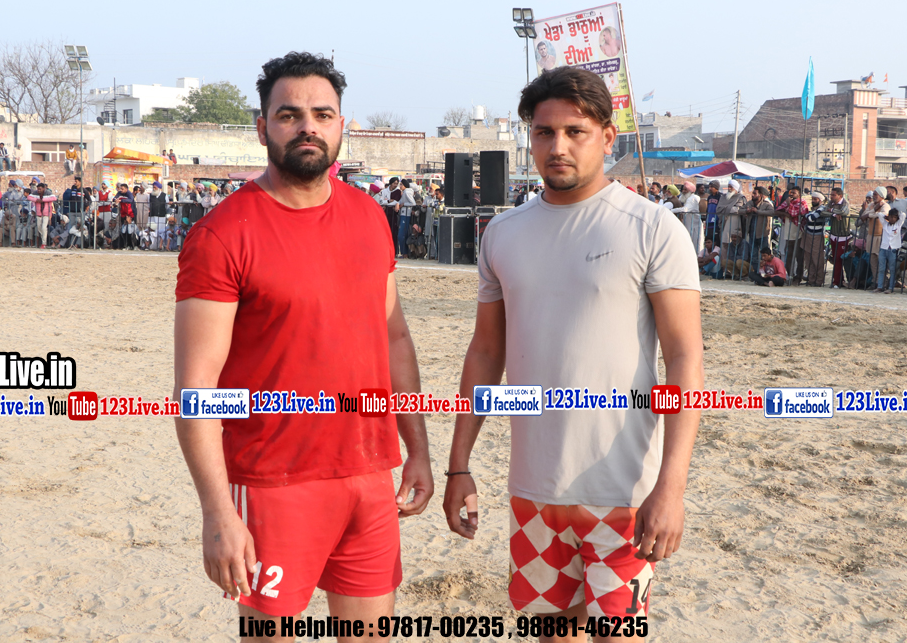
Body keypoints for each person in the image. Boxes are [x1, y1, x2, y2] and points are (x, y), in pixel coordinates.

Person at [173, 51, 431, 637]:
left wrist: (416, 448)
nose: (307, 126)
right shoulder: (221, 235)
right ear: (262, 127)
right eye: (289, 115)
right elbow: (196, 389)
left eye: (322, 114)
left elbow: (394, 338)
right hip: (273, 481)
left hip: (369, 476)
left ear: (341, 125)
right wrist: (217, 513)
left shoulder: (369, 217)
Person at [443, 66, 703, 634]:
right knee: (551, 632)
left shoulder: (653, 229)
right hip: (533, 491)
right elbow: (485, 353)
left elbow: (685, 360)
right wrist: (459, 464)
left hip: (623, 493)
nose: (557, 146)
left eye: (575, 132)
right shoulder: (502, 234)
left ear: (607, 137)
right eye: (544, 132)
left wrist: (672, 488)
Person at [776, 186, 808, 285]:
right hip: (788, 234)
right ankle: (790, 275)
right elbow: (777, 210)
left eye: (794, 193)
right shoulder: (788, 202)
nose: (791, 195)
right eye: (791, 192)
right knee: (788, 256)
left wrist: (789, 206)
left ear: (799, 194)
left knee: (799, 257)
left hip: (798, 234)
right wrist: (785, 213)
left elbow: (794, 213)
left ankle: (798, 277)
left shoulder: (802, 203)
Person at [824, 187, 852, 288]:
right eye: (831, 195)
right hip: (833, 234)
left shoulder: (845, 203)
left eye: (833, 195)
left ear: (840, 196)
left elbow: (844, 212)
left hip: (843, 235)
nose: (831, 197)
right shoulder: (831, 202)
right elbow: (823, 212)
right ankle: (839, 280)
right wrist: (834, 214)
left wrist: (832, 211)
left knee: (839, 259)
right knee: (835, 259)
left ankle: (837, 282)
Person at [800, 191, 827, 287]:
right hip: (808, 234)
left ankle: (819, 280)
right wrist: (807, 215)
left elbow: (811, 218)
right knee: (809, 258)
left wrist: (806, 215)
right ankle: (811, 279)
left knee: (817, 259)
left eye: (815, 199)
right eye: (813, 199)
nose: (813, 201)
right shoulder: (813, 209)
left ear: (820, 200)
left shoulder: (822, 208)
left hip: (817, 236)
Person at [874, 209, 902, 294]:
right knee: (881, 268)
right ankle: (880, 286)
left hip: (893, 249)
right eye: (891, 217)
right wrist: (885, 217)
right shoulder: (885, 224)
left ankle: (890, 287)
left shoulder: (898, 224)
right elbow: (879, 214)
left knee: (892, 269)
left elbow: (903, 215)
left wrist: (898, 216)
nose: (892, 219)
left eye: (894, 217)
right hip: (884, 248)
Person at [671, 180, 703, 254]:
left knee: (696, 244)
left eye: (686, 190)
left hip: (694, 225)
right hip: (688, 223)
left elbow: (685, 209)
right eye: (683, 189)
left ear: (691, 191)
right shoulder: (686, 198)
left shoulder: (692, 198)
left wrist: (671, 210)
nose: (683, 191)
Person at [28, 182, 57, 248]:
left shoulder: (48, 193)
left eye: (40, 189)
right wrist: (36, 200)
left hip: (46, 213)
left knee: (44, 228)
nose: (39, 190)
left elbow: (54, 198)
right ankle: (44, 238)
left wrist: (43, 200)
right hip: (38, 213)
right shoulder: (35, 193)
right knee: (39, 228)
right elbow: (29, 197)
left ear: (44, 188)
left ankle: (44, 243)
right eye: (38, 189)